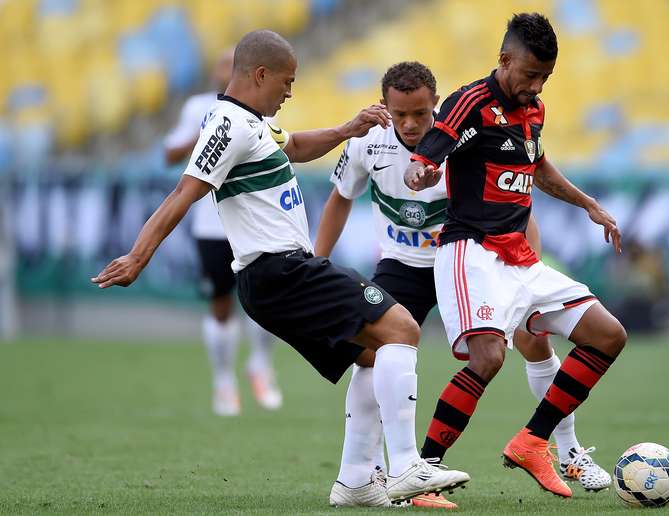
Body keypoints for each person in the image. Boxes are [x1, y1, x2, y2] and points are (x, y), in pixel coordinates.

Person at [91, 29, 469, 505]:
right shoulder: (227, 124)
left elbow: (294, 148)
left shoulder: (252, 123)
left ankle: (355, 481)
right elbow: (184, 192)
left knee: (374, 353)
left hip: (278, 276)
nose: (290, 92)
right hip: (279, 270)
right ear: (260, 74)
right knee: (402, 329)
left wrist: (346, 129)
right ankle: (407, 465)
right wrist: (138, 255)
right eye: (287, 82)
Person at [316, 61, 610, 508]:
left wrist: (525, 266)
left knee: (537, 342)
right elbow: (340, 199)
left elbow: (516, 202)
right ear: (385, 109)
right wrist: (317, 261)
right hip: (404, 265)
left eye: (420, 113)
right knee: (373, 356)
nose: (411, 124)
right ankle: (369, 471)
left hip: (471, 259)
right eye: (400, 115)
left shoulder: (460, 137)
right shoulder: (366, 144)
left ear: (436, 104)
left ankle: (567, 450)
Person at [404, 13, 627, 498]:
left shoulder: (534, 109)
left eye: (545, 76)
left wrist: (588, 204)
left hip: (521, 258)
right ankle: (422, 471)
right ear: (504, 60)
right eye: (530, 74)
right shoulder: (472, 103)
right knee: (488, 357)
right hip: (472, 253)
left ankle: (533, 441)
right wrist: (419, 173)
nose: (536, 85)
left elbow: (537, 164)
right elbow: (428, 154)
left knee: (608, 335)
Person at [164, 47, 282, 415]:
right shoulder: (199, 108)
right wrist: (204, 136)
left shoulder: (258, 110)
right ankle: (224, 381)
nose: (226, 70)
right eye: (221, 64)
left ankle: (260, 364)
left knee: (269, 302)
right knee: (220, 303)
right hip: (212, 226)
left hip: (252, 223)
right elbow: (169, 154)